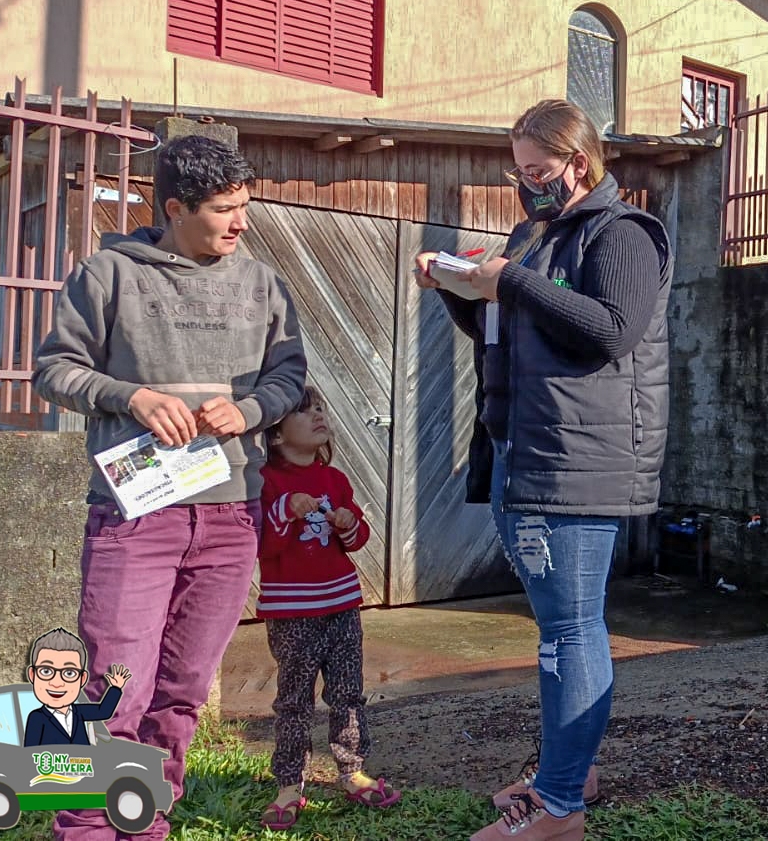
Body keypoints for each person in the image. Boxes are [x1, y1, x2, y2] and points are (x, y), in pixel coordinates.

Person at [33, 134, 307, 841]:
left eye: (245, 206)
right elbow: (55, 369)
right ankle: (86, 831)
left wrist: (248, 411)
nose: (240, 222)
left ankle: (145, 824)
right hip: (134, 517)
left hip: (229, 518)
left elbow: (289, 377)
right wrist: (130, 396)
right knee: (111, 691)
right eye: (223, 209)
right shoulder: (108, 275)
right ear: (176, 206)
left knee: (182, 692)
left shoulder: (264, 285)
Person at [414, 99, 672, 841]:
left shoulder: (621, 232)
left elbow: (612, 330)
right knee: (558, 629)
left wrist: (511, 283)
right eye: (516, 171)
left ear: (578, 163)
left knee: (570, 632)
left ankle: (559, 806)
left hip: (576, 461)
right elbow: (517, 324)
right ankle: (571, 766)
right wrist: (463, 291)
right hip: (520, 452)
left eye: (536, 171)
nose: (524, 185)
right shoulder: (536, 235)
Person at [255, 386, 400, 829]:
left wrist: (349, 523)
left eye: (320, 408)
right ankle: (288, 783)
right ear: (276, 434)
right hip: (292, 612)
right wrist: (285, 509)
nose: (318, 415)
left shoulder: (334, 479)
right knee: (295, 701)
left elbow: (357, 540)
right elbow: (260, 545)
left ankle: (352, 770)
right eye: (304, 411)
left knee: (347, 692)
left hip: (341, 604)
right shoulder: (265, 482)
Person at [23, 628, 131, 747]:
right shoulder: (37, 718)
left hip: (82, 764)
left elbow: (104, 711)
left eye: (69, 673)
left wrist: (115, 688)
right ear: (32, 675)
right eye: (46, 671)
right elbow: (29, 752)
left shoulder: (79, 712)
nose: (57, 683)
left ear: (82, 679)